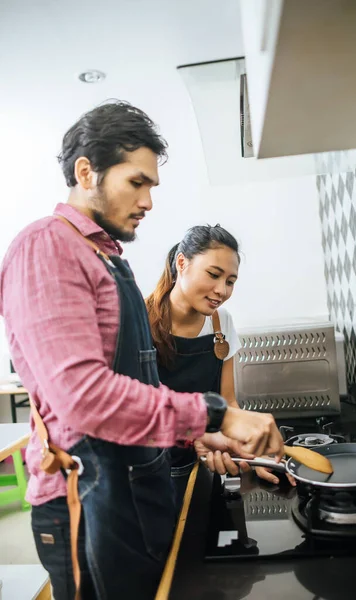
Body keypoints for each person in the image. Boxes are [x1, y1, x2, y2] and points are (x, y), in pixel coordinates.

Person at [0, 101, 284, 600]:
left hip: (132, 487)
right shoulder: (46, 248)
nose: (149, 200)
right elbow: (83, 398)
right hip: (88, 500)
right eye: (137, 182)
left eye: (152, 186)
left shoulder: (105, 257)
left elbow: (139, 388)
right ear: (87, 172)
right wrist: (217, 417)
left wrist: (202, 435)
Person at [146, 225, 295, 508]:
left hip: (207, 461)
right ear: (182, 262)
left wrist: (250, 454)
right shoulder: (139, 322)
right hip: (154, 471)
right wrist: (202, 437)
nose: (222, 290)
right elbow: (136, 410)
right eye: (213, 275)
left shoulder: (220, 322)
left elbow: (227, 402)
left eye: (230, 281)